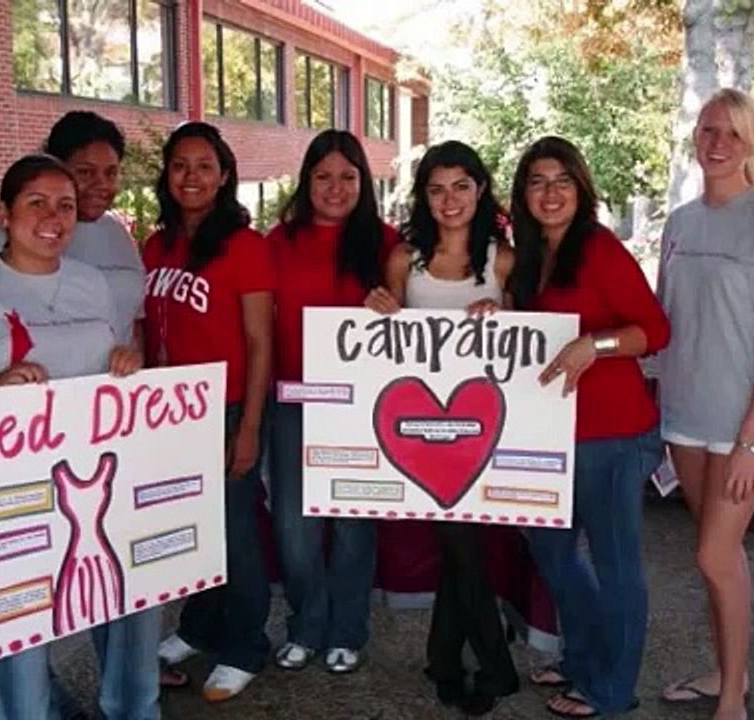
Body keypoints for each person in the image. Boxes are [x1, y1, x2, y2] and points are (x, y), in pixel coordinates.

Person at [0, 154, 152, 719]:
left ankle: (135, 710)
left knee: (125, 602)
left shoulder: (92, 285)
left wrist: (126, 358)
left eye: (65, 205)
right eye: (36, 202)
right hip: (16, 494)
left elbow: (113, 359)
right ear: (5, 213)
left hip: (100, 478)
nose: (53, 217)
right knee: (23, 630)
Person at [657, 89, 754, 720]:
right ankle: (730, 674)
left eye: (732, 134)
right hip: (686, 415)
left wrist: (752, 437)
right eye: (707, 131)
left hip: (745, 424)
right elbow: (666, 320)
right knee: (724, 557)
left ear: (751, 145)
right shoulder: (680, 223)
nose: (717, 144)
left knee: (713, 555)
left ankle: (730, 703)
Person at [508, 136, 669, 718]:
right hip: (552, 433)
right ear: (523, 194)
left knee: (616, 562)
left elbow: (654, 329)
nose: (550, 193)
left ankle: (612, 689)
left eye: (562, 181)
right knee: (551, 550)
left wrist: (595, 345)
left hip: (613, 435)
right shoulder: (530, 256)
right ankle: (583, 658)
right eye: (537, 182)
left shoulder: (599, 248)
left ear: (581, 189)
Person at [365, 140, 520, 716]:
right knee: (459, 544)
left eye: (460, 186)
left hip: (486, 427)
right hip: (422, 431)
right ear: (423, 197)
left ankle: (446, 661)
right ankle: (493, 667)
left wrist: (505, 315)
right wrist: (376, 307)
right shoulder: (405, 259)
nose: (449, 200)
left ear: (479, 190)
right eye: (436, 189)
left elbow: (530, 341)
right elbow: (385, 347)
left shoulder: (501, 260)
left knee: (463, 547)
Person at [144, 121, 274, 702]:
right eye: (179, 165)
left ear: (224, 175)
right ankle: (198, 628)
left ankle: (246, 644)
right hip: (169, 414)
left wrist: (248, 426)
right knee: (193, 528)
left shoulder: (246, 247)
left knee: (236, 532)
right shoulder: (157, 243)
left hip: (224, 409)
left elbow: (259, 342)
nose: (190, 176)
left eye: (203, 166)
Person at [267, 129, 399, 674]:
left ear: (363, 183)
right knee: (294, 527)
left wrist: (396, 310)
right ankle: (306, 625)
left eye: (347, 176)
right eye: (323, 176)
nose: (335, 187)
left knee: (351, 522)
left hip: (359, 407)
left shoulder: (388, 242)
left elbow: (414, 327)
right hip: (292, 399)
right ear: (306, 181)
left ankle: (348, 630)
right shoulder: (277, 241)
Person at [0, 110, 146, 348]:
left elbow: (135, 322)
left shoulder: (117, 232)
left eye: (111, 173)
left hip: (118, 382)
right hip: (43, 382)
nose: (103, 185)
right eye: (86, 172)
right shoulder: (14, 235)